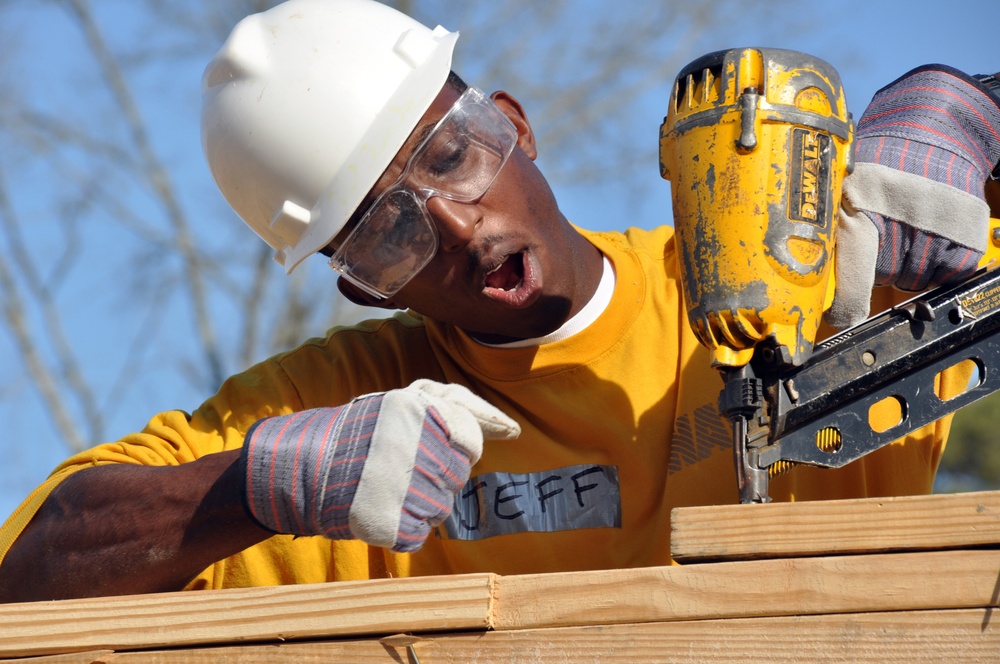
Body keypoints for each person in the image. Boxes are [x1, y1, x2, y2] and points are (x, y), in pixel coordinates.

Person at [1, 0, 998, 603]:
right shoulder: (356, 416)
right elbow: (25, 567)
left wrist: (967, 109)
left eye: (451, 156)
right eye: (389, 230)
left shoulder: (800, 268)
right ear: (359, 283)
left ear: (513, 123)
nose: (457, 227)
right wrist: (255, 487)